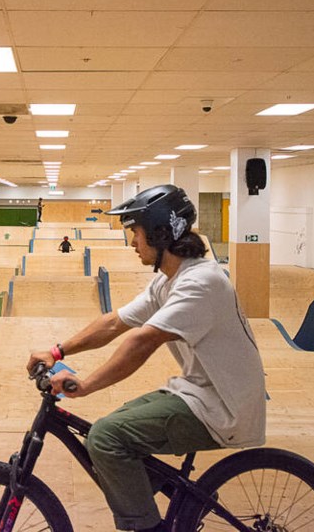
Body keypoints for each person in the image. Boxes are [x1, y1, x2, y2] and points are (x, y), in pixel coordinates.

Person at [27, 184, 266, 532]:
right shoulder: (170, 280)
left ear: (160, 232)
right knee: (106, 430)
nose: (133, 242)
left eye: (136, 232)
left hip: (223, 407)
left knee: (107, 438)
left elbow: (143, 341)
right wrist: (56, 351)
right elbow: (114, 323)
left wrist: (87, 384)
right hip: (196, 392)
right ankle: (178, 501)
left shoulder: (200, 283)